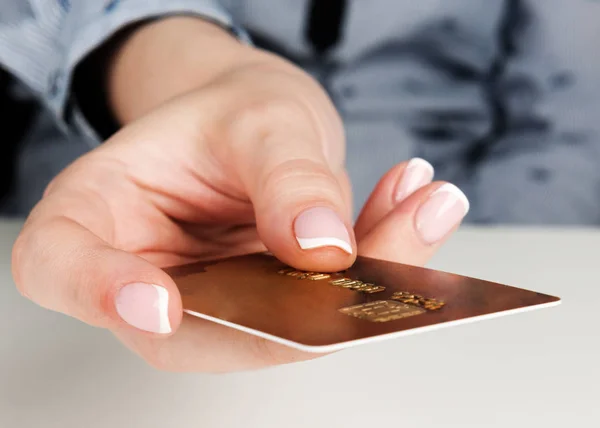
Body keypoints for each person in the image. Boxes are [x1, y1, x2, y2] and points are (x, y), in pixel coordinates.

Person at [2, 1, 598, 372]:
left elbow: (568, 117)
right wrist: (206, 76)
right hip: (126, 189)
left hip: (479, 231)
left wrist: (488, 266)